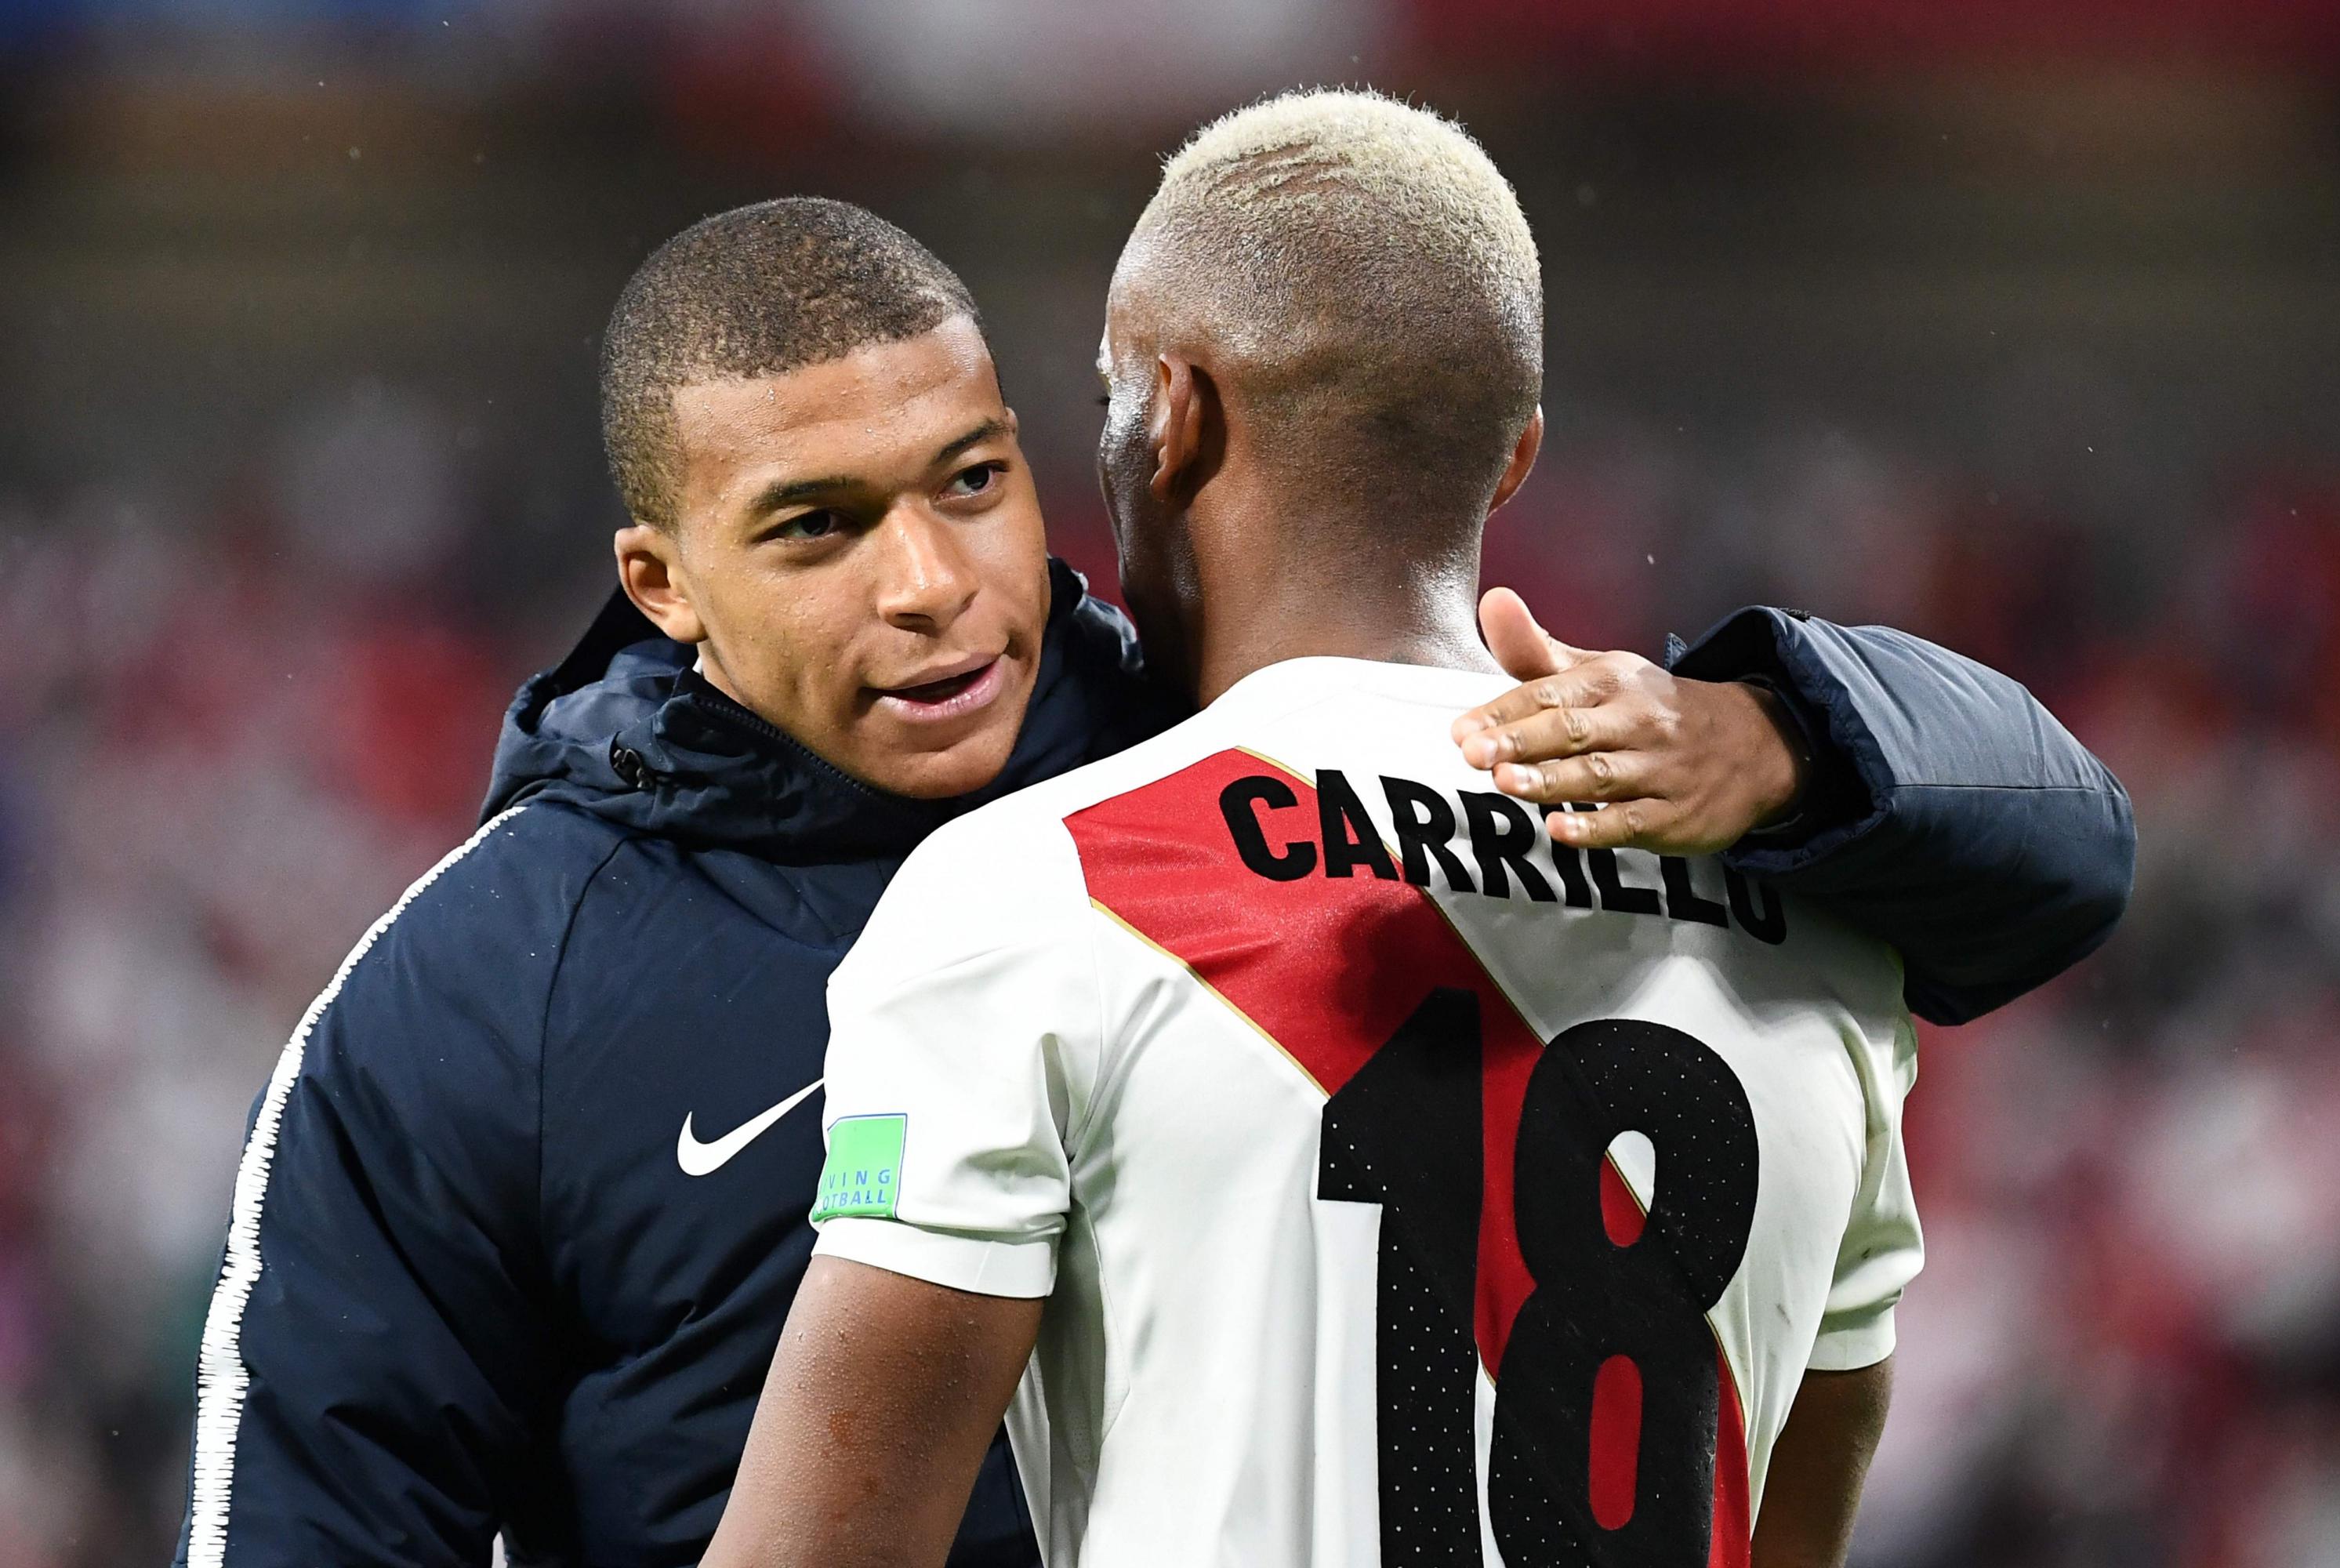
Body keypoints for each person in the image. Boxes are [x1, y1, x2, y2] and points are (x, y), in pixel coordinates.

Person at [177, 191, 2129, 1566]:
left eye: (970, 478)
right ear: (662, 585)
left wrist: (1791, 730)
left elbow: (2061, 847)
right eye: (819, 526)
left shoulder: (1195, 758)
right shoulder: (469, 997)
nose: (933, 583)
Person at [706, 92, 1972, 1568]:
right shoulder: (1826, 942)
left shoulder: (1031, 896)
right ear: (1513, 459)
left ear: (1170, 417)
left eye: (1108, 394)